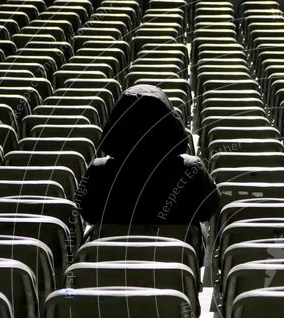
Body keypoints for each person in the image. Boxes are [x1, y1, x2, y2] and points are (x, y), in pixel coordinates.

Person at [79, 84, 219, 226]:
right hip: (175, 248)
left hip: (111, 248)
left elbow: (88, 213)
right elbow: (209, 208)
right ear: (170, 122)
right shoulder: (191, 169)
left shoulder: (99, 171)